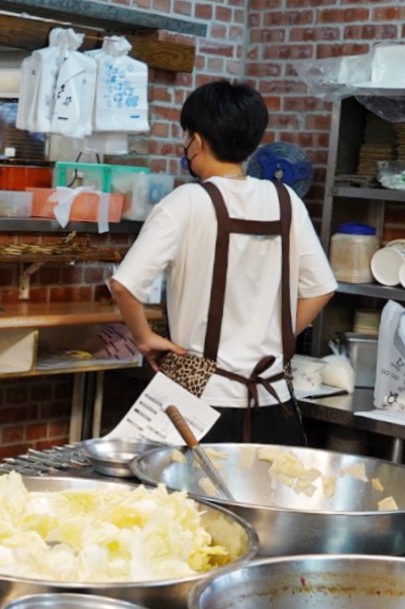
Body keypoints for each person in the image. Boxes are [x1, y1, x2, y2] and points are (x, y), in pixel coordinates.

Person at [109, 80, 336, 445]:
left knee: (184, 502)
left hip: (197, 395)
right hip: (273, 396)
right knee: (263, 499)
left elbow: (123, 285)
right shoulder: (285, 200)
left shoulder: (186, 201)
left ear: (196, 141)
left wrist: (144, 337)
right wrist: (269, 337)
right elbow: (322, 288)